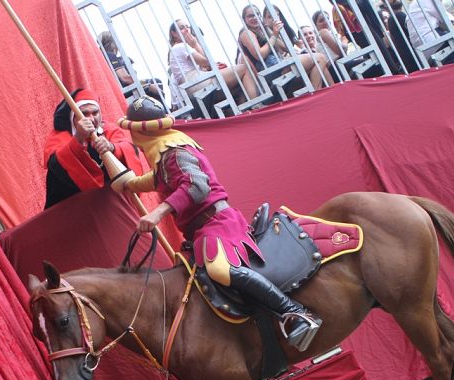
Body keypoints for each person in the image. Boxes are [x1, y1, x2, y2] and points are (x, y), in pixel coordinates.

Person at [113, 96, 321, 351]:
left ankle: (296, 313)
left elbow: (196, 186)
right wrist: (110, 157)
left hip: (216, 223)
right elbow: (144, 182)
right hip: (202, 229)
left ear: (141, 133)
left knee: (220, 270)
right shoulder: (165, 156)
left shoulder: (174, 153)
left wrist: (157, 214)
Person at [42, 88, 144, 209]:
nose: (91, 119)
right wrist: (78, 139)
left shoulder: (108, 129)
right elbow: (56, 165)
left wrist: (112, 148)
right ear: (73, 117)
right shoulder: (60, 136)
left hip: (110, 206)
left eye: (95, 113)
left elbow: (129, 149)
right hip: (72, 206)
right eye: (84, 114)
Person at [168, 19, 259, 110]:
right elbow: (207, 61)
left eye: (187, 27)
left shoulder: (176, 49)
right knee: (244, 68)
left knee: (238, 84)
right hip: (197, 84)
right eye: (182, 28)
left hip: (196, 85)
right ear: (174, 33)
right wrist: (195, 44)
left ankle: (245, 111)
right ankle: (256, 106)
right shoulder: (180, 46)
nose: (186, 30)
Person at [97, 31, 164, 103]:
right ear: (113, 43)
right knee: (156, 82)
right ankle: (162, 109)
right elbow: (125, 78)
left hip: (116, 91)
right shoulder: (110, 56)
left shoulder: (101, 57)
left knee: (153, 83)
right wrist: (147, 85)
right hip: (125, 91)